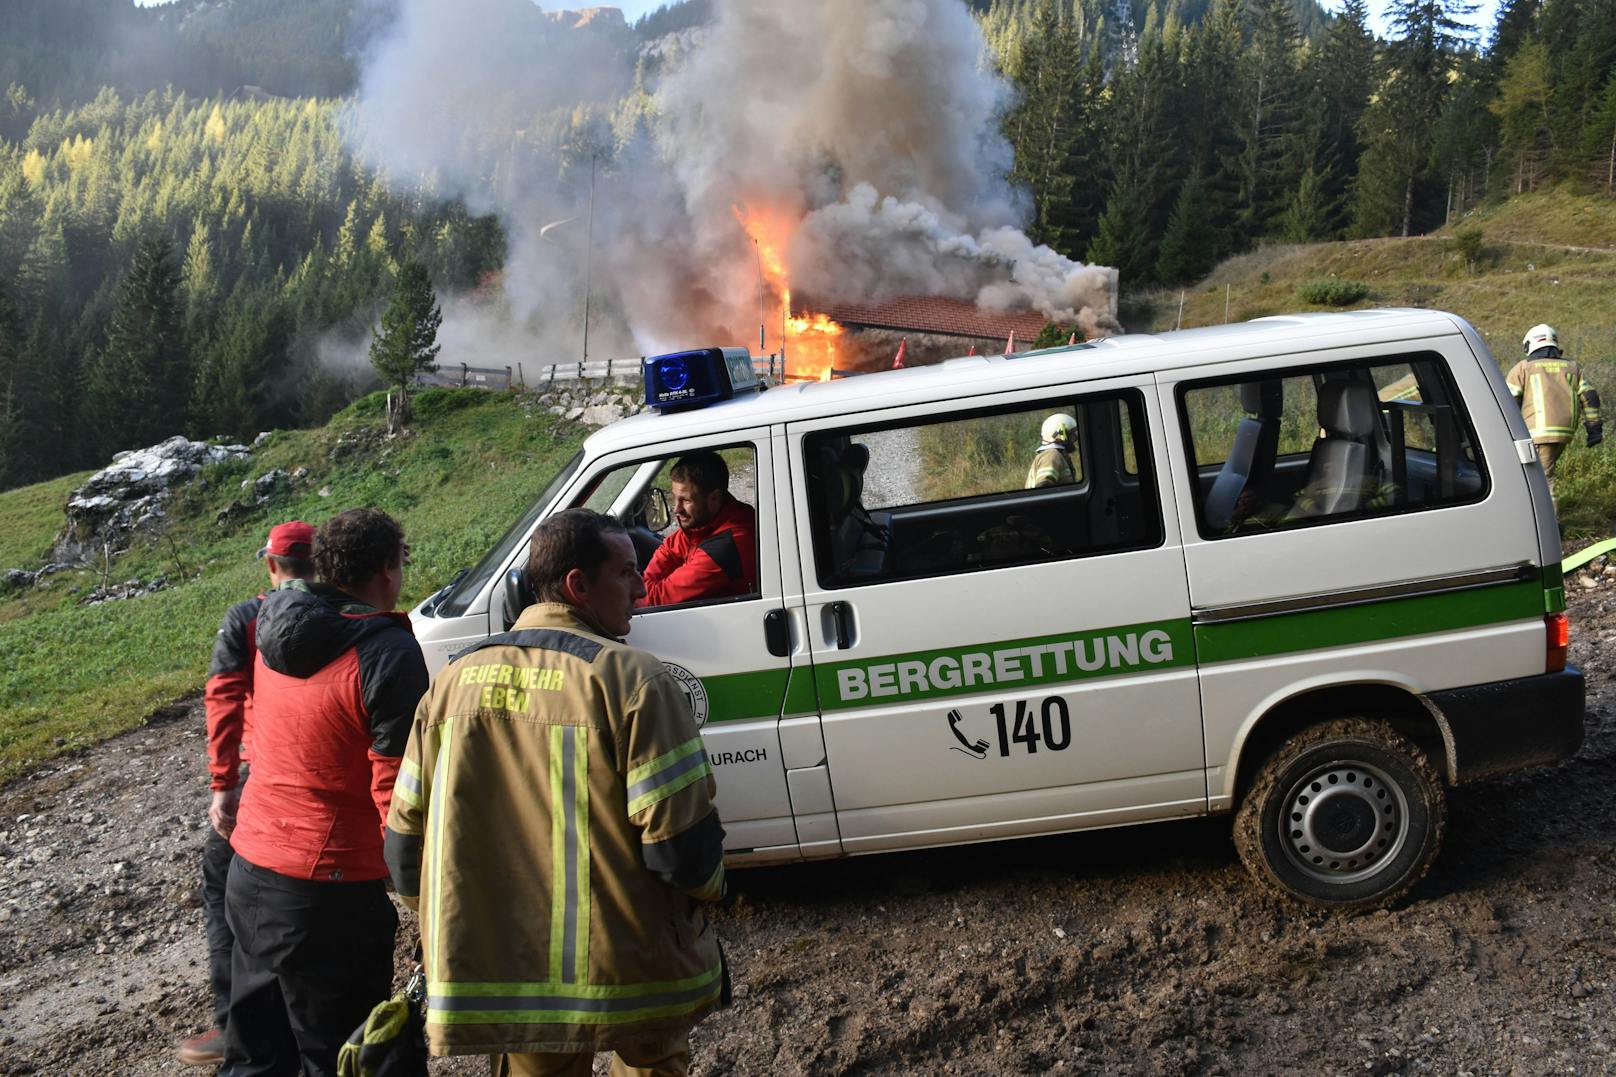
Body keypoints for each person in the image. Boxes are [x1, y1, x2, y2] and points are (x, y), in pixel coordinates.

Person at [385, 508, 727, 1077]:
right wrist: (706, 901)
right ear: (577, 586)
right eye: (625, 573)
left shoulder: (448, 686)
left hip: (513, 976)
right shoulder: (633, 680)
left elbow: (403, 852)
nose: (641, 589)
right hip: (632, 970)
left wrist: (456, 926)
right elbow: (682, 851)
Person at [222, 508, 428, 1077]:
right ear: (388, 570)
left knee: (257, 1055)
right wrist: (421, 891)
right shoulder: (385, 652)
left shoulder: (271, 626)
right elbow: (397, 790)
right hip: (326, 893)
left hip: (252, 870)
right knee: (346, 1055)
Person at [177, 522, 316, 1067]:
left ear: (270, 564)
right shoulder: (339, 614)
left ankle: (234, 1025)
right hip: (314, 776)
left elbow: (223, 701)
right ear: (318, 564)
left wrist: (222, 785)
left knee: (224, 886)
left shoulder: (247, 617)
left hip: (263, 774)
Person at [639, 450, 757, 606]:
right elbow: (669, 550)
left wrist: (635, 589)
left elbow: (657, 598)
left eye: (686, 500)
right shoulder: (706, 522)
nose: (676, 509)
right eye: (675, 498)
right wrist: (646, 582)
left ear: (714, 497)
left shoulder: (727, 545)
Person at [1507, 324, 1603, 494]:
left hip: (1537, 432)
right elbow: (1590, 397)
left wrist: (1509, 433)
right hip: (1565, 431)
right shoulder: (1573, 368)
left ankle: (1550, 520)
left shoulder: (1523, 367)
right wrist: (1594, 429)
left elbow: (1508, 401)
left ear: (1530, 345)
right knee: (1541, 474)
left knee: (1543, 480)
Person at [1025, 413, 1079, 488]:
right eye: (1072, 435)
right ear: (1060, 434)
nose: (1075, 439)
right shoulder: (1051, 456)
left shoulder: (1056, 455)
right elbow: (1043, 488)